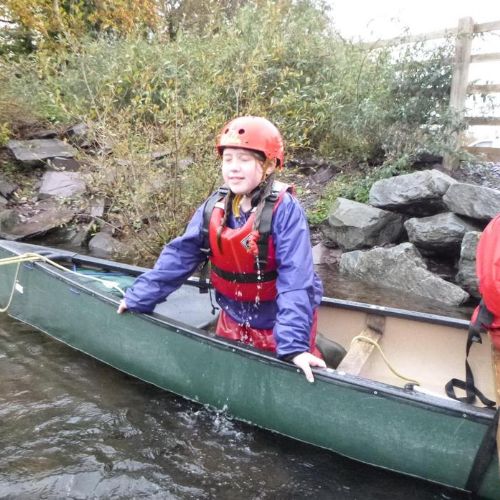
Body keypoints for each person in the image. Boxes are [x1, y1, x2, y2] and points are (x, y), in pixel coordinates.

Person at [117, 116, 326, 382]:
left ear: (269, 165)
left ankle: (301, 354)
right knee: (228, 379)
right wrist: (139, 297)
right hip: (234, 315)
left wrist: (294, 346)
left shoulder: (286, 210)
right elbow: (180, 256)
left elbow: (296, 280)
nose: (234, 168)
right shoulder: (214, 206)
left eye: (244, 159)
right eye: (228, 160)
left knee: (279, 376)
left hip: (279, 323)